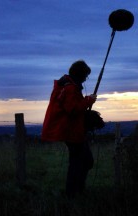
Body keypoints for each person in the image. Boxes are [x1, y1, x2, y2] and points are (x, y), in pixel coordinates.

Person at [42, 60, 97, 197]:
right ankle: (74, 193)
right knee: (81, 162)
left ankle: (76, 191)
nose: (86, 79)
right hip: (72, 132)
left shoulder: (66, 85)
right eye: (85, 75)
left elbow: (72, 106)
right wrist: (89, 100)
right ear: (81, 74)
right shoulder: (71, 88)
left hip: (72, 131)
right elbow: (72, 109)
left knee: (81, 162)